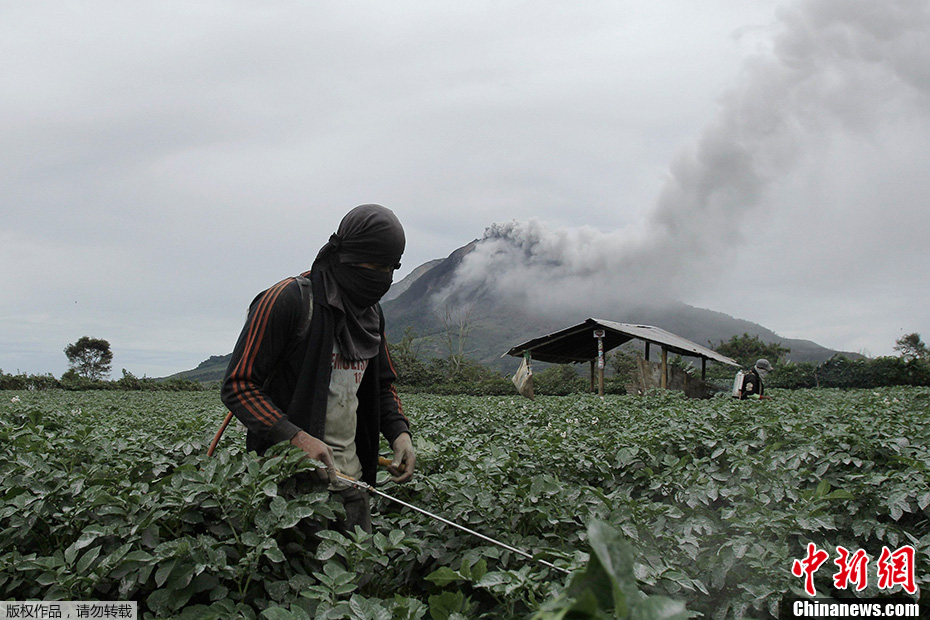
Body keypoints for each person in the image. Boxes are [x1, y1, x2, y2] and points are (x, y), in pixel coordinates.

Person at [221, 204, 415, 534]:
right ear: (349, 255)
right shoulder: (288, 300)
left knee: (356, 579)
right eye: (374, 265)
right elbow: (238, 385)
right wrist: (296, 437)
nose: (383, 277)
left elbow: (381, 386)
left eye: (390, 268)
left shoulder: (371, 315)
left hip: (351, 484)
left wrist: (400, 433)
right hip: (285, 491)